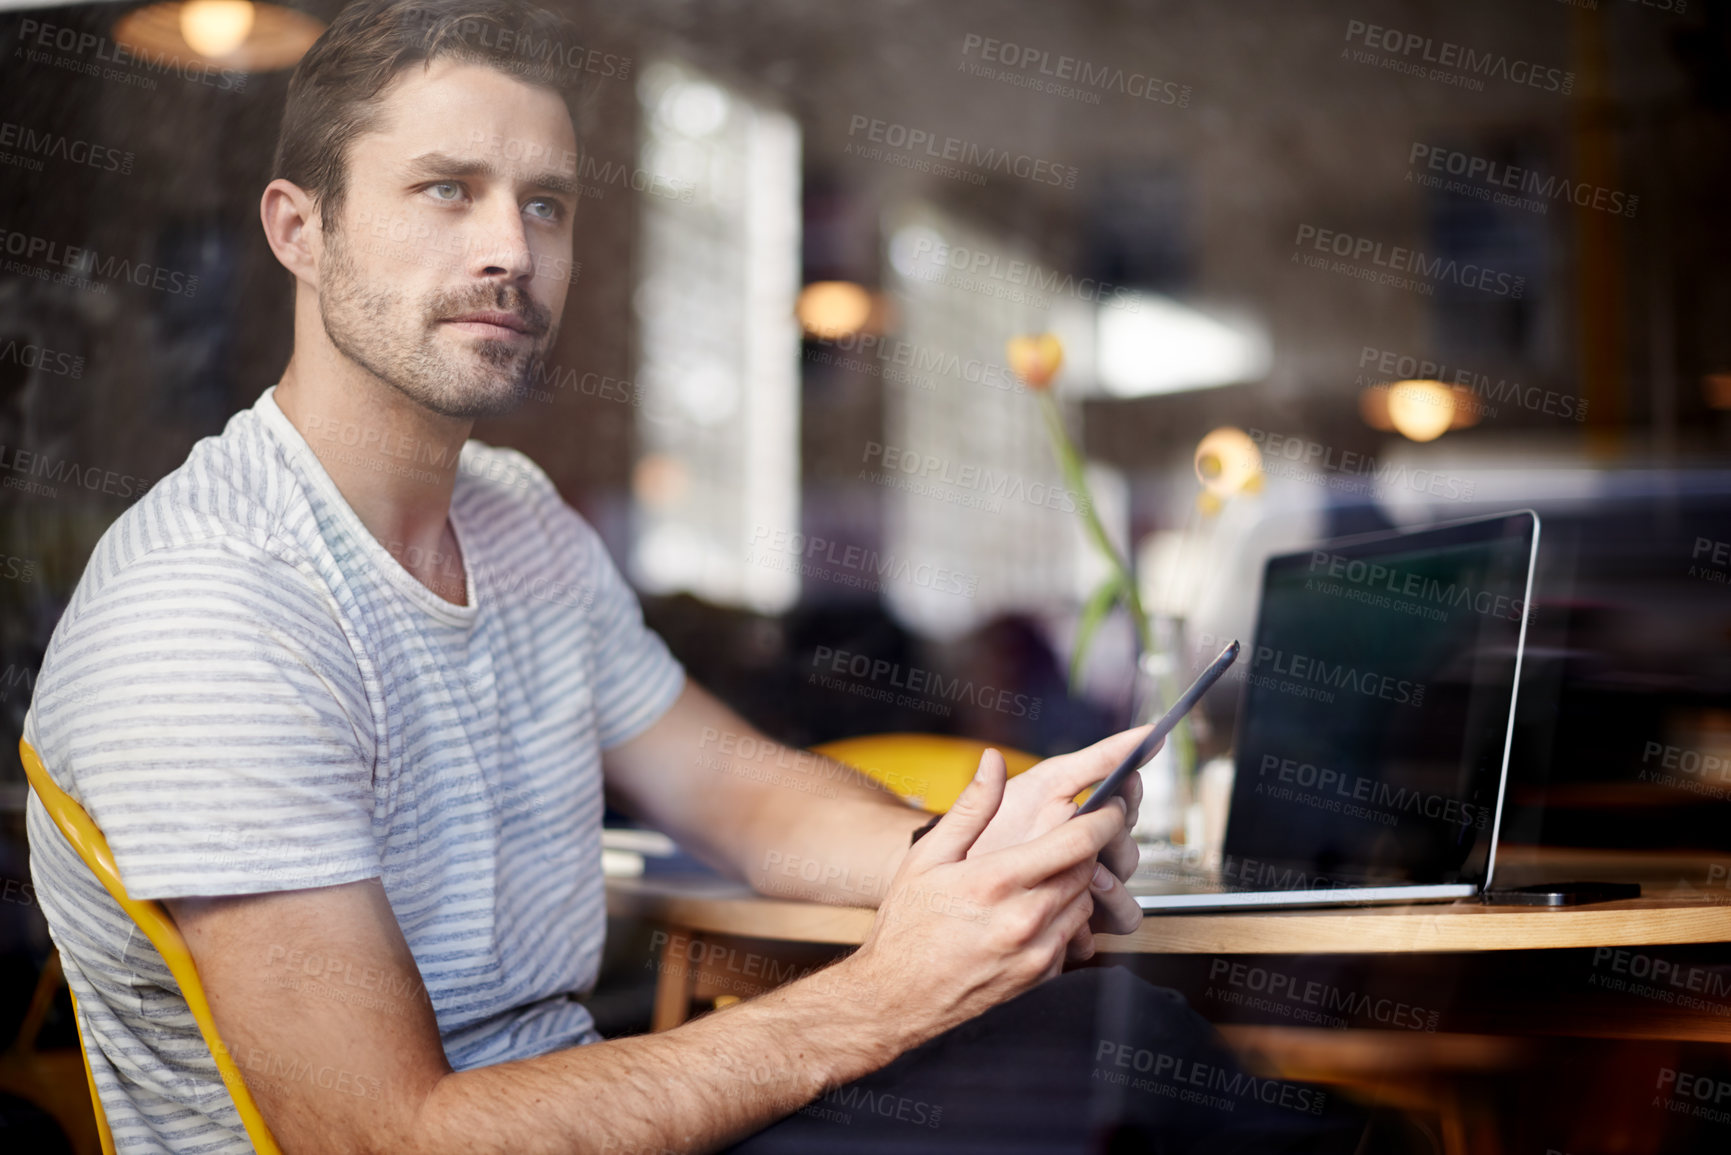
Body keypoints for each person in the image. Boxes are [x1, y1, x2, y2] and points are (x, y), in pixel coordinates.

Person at [24, 2, 1376, 1151]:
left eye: (542, 202)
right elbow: (393, 1137)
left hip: (604, 1108)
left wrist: (964, 862)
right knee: (1114, 1065)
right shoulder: (210, 605)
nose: (510, 248)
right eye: (446, 189)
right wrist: (894, 988)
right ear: (297, 228)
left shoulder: (516, 517)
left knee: (1106, 1036)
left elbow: (735, 786)